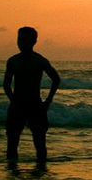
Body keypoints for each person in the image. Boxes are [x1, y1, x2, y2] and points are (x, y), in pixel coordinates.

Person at [3, 26, 60, 165]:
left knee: (39, 142)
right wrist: (13, 101)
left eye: (24, 39)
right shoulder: (13, 61)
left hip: (35, 104)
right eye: (19, 39)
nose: (20, 42)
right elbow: (6, 85)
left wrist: (48, 101)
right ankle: (12, 174)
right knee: (12, 141)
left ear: (33, 41)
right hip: (17, 104)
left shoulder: (40, 60)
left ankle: (40, 173)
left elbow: (56, 79)